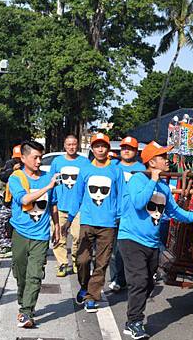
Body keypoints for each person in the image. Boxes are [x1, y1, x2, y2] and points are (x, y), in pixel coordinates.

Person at [118, 141, 193, 340]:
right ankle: (135, 322)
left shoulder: (164, 187)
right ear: (152, 162)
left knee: (149, 283)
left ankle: (131, 320)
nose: (167, 161)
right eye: (163, 158)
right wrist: (153, 180)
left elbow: (175, 212)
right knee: (139, 281)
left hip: (151, 242)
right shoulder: (137, 180)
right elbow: (139, 202)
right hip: (131, 239)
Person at [63, 133, 124, 313]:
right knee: (82, 260)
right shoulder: (86, 169)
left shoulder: (116, 170)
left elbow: (122, 196)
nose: (100, 149)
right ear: (92, 149)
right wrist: (69, 219)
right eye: (96, 146)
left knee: (101, 262)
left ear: (108, 148)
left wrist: (119, 218)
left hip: (108, 224)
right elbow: (77, 196)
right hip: (87, 221)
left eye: (103, 146)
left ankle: (92, 296)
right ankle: (84, 285)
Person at [8, 140, 60, 328]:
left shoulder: (48, 177)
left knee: (35, 274)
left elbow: (53, 204)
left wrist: (57, 227)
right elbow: (24, 199)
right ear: (23, 158)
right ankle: (24, 300)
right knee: (21, 274)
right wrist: (48, 186)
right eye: (35, 157)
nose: (39, 161)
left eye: (40, 157)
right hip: (20, 233)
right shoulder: (16, 178)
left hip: (41, 235)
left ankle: (26, 312)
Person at [109, 136, 146, 292]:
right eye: (124, 148)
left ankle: (124, 279)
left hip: (133, 215)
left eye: (130, 148)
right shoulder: (112, 166)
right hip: (113, 213)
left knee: (127, 249)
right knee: (112, 249)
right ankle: (117, 278)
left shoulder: (142, 169)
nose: (126, 151)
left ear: (136, 151)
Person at [49, 134, 89, 277]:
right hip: (59, 206)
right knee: (58, 236)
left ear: (77, 145)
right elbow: (51, 183)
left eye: (74, 144)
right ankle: (62, 264)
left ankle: (76, 261)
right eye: (68, 144)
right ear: (64, 146)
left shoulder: (85, 162)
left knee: (79, 237)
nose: (71, 147)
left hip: (78, 207)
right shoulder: (57, 162)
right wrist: (52, 201)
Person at [0, 145, 22, 257]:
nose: (18, 160)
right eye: (16, 158)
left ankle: (20, 246)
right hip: (8, 200)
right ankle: (5, 245)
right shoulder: (9, 164)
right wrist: (12, 170)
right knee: (3, 221)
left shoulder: (28, 166)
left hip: (21, 202)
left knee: (19, 224)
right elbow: (2, 176)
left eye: (19, 158)